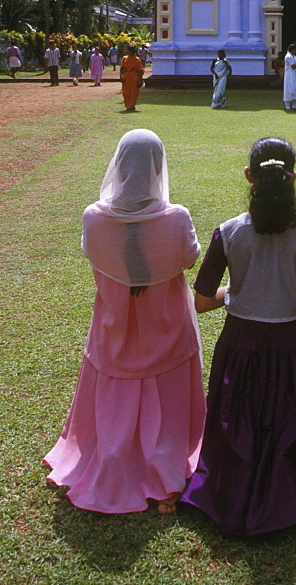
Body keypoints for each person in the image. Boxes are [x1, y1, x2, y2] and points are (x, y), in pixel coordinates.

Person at [181, 137, 296, 535]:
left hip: (240, 350)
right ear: (293, 178)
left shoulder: (227, 233)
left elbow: (204, 302)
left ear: (249, 176)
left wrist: (237, 292)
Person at [43, 129, 206, 513]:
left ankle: (113, 454)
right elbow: (189, 258)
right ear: (157, 166)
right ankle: (166, 462)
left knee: (117, 385)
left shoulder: (93, 218)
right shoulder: (176, 217)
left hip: (113, 329)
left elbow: (95, 255)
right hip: (164, 328)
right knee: (165, 393)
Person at [120, 46, 145, 111]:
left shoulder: (136, 59)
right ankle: (128, 105)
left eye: (127, 50)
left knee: (133, 91)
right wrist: (121, 76)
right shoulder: (124, 58)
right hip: (126, 77)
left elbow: (141, 70)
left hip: (134, 78)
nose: (126, 51)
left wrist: (140, 80)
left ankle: (132, 105)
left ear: (130, 51)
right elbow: (122, 68)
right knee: (125, 92)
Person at [283, 43, 296, 111]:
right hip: (289, 75)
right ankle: (288, 106)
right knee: (289, 88)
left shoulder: (294, 56)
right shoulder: (288, 56)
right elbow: (293, 66)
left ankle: (294, 106)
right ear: (292, 50)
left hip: (295, 74)